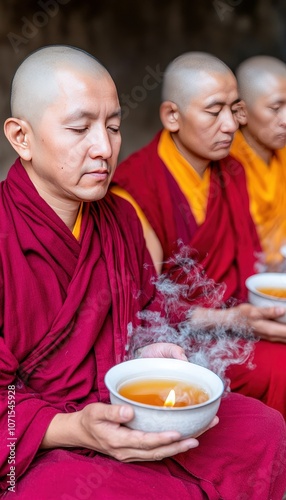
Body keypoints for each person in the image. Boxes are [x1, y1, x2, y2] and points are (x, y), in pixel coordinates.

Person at [0, 44, 285, 500]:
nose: (104, 147)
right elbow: (5, 407)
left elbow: (146, 305)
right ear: (21, 137)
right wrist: (74, 428)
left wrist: (156, 344)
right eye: (79, 128)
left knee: (262, 429)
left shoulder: (118, 218)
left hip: (125, 410)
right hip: (40, 442)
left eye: (113, 126)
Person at [111, 51, 286, 418]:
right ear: (172, 116)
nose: (230, 126)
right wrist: (233, 319)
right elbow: (148, 308)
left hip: (237, 322)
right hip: (177, 342)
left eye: (234, 110)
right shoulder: (137, 189)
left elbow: (244, 262)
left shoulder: (230, 171)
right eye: (214, 110)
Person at [230, 55, 286, 269]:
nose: (285, 120)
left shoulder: (283, 154)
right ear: (242, 112)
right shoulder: (225, 163)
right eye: (275, 108)